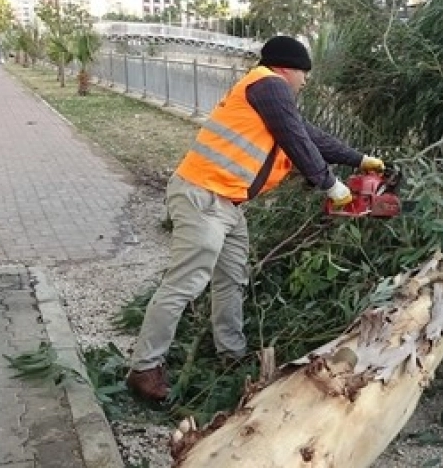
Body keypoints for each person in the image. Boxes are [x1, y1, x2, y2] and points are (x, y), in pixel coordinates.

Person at [126, 35, 385, 402]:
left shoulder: (272, 96)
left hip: (228, 204)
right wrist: (331, 185)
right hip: (204, 196)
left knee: (232, 278)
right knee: (185, 283)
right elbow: (296, 139)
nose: (306, 80)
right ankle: (144, 368)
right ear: (284, 67)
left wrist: (359, 160)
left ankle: (230, 353)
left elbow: (310, 136)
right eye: (303, 72)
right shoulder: (268, 84)